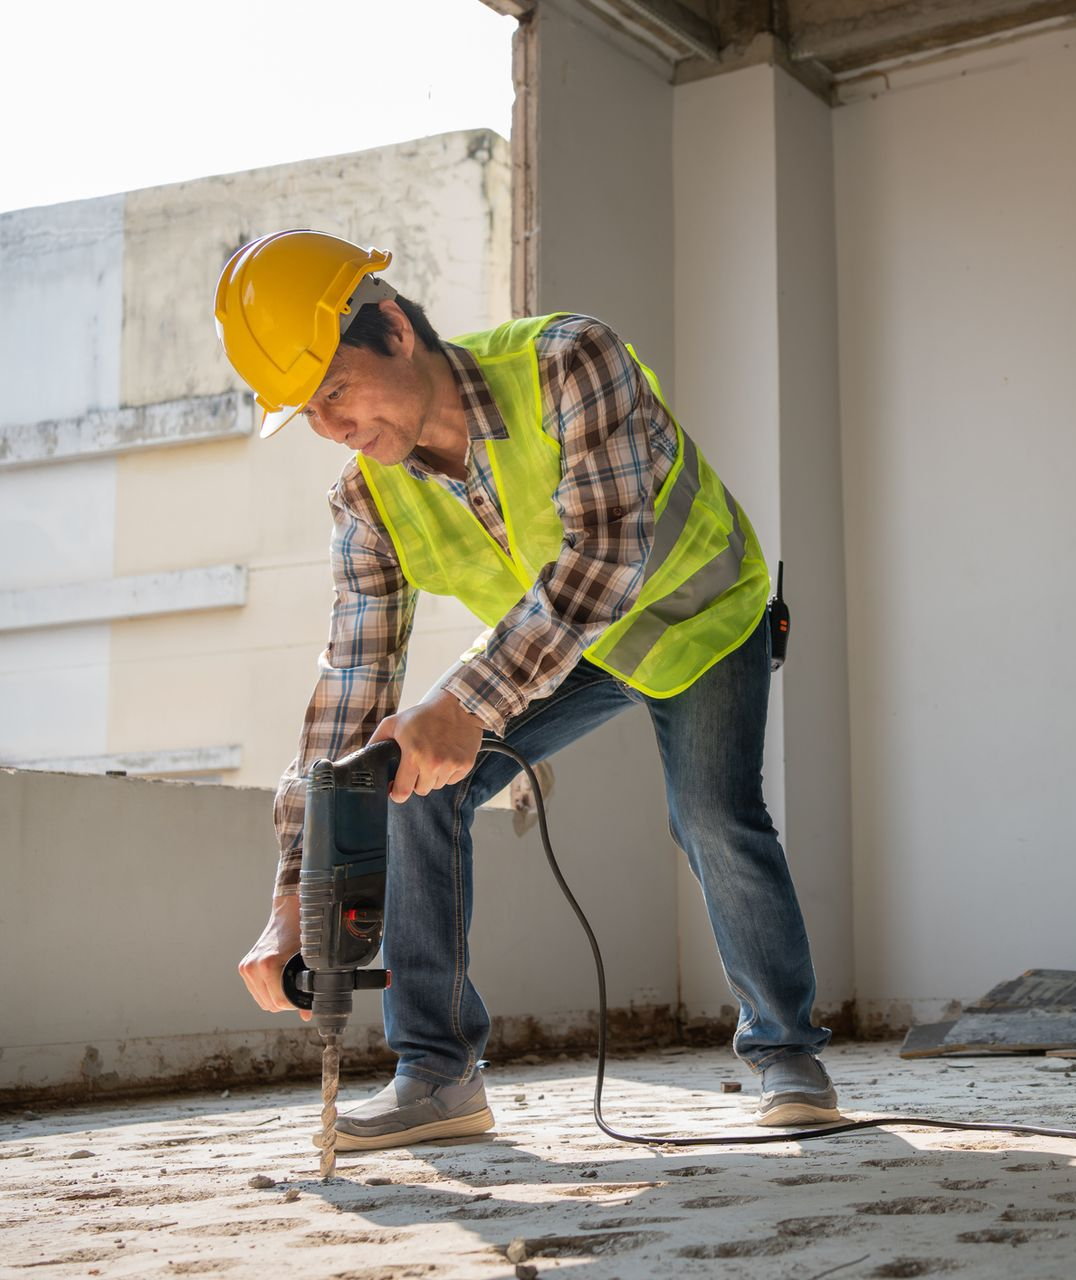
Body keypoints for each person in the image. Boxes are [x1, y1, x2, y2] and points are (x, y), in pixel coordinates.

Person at [215, 229, 839, 1151]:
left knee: (713, 817)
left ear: (392, 326)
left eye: (335, 390)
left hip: (700, 616)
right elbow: (351, 686)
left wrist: (463, 706)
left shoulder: (567, 362)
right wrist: (296, 892)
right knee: (407, 779)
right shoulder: (368, 503)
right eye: (309, 412)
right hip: (562, 644)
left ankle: (788, 1053)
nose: (335, 428)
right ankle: (437, 1073)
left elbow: (606, 558)